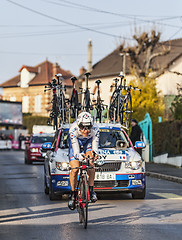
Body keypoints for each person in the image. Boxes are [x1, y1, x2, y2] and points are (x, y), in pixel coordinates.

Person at [68, 112, 100, 210]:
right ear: (78, 125)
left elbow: (95, 147)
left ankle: (91, 190)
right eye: (83, 128)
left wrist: (94, 154)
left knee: (91, 163)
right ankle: (73, 195)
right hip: (76, 141)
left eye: (88, 127)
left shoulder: (96, 129)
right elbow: (76, 151)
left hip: (89, 142)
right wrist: (79, 156)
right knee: (74, 169)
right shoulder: (73, 130)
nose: (86, 131)